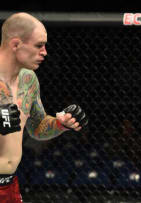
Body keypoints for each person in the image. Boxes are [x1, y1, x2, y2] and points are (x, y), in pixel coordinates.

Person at [0, 12, 88, 202]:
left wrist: (60, 124)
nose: (45, 52)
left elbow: (37, 129)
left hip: (9, 187)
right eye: (39, 45)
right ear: (16, 44)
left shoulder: (28, 79)